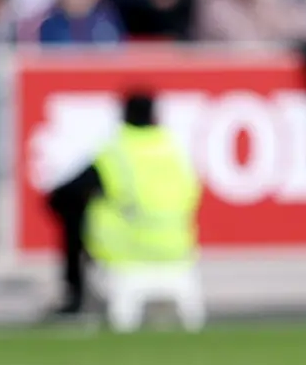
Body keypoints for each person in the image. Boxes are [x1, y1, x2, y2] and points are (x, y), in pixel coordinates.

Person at [47, 92, 204, 332]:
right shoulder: (174, 152)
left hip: (124, 251)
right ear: (155, 116)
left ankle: (75, 297)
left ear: (123, 115)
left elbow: (61, 196)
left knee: (74, 212)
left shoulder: (117, 152)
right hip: (178, 250)